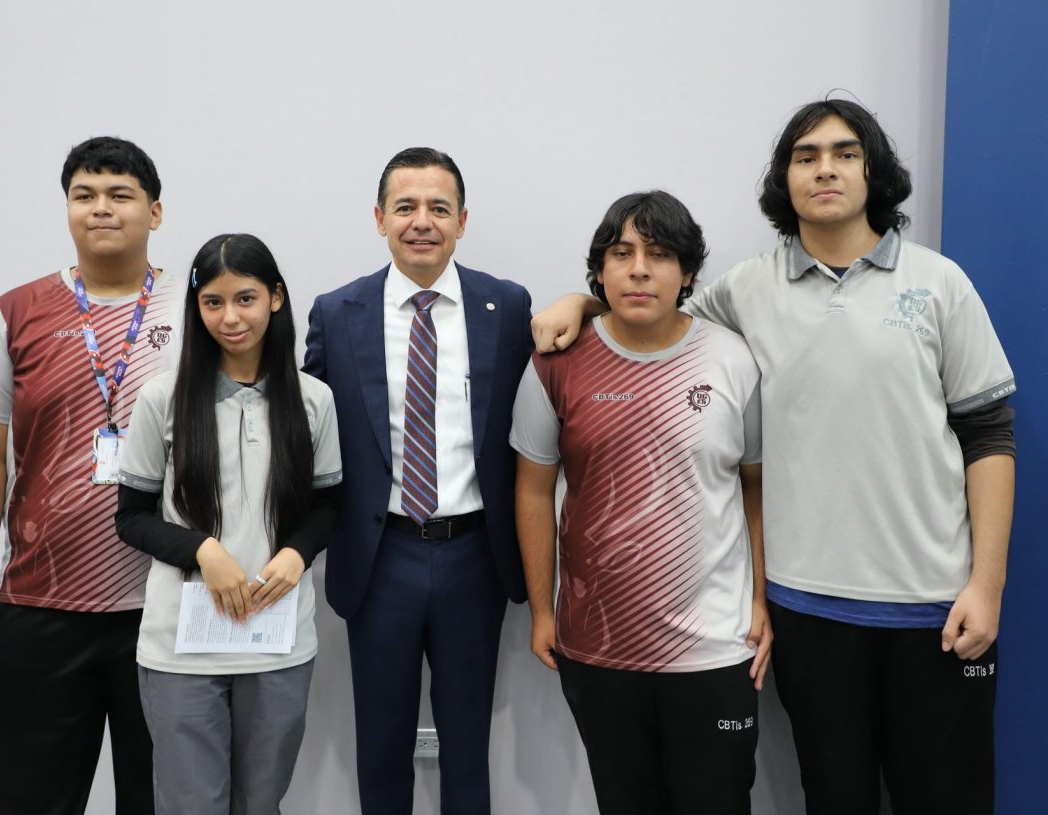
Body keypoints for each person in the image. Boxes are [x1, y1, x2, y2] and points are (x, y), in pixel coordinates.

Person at [531, 99, 1015, 815]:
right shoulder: (746, 290)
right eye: (805, 156)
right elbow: (654, 315)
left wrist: (987, 585)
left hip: (935, 610)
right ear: (784, 179)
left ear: (874, 170)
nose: (825, 169)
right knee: (834, 798)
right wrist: (581, 303)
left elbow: (989, 436)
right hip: (806, 609)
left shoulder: (940, 283)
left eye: (845, 153)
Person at [511, 190, 770, 815]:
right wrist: (542, 610)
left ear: (687, 273)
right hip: (597, 646)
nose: (639, 270)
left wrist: (761, 599)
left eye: (659, 254)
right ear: (599, 271)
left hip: (715, 648)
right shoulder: (556, 364)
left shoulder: (732, 359)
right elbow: (533, 489)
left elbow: (757, 487)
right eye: (622, 254)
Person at [0, 136, 181, 814]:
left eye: (120, 194)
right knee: (34, 797)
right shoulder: (16, 312)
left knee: (164, 798)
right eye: (85, 195)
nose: (100, 208)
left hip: (164, 604)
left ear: (154, 212)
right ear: (68, 209)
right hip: (38, 603)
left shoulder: (194, 310)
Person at [302, 147, 533, 815]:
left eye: (438, 207)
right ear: (380, 219)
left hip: (474, 554)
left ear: (462, 219)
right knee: (381, 745)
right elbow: (308, 429)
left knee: (468, 744)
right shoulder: (337, 312)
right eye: (405, 207)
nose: (422, 221)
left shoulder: (505, 306)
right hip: (380, 556)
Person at [114, 233, 342, 814]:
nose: (230, 318)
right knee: (191, 804)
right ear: (197, 308)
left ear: (276, 299)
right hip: (181, 646)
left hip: (278, 642)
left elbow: (328, 506)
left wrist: (297, 554)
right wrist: (202, 551)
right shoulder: (162, 398)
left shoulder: (314, 400)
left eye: (245, 298)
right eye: (213, 302)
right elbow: (132, 518)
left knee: (261, 803)